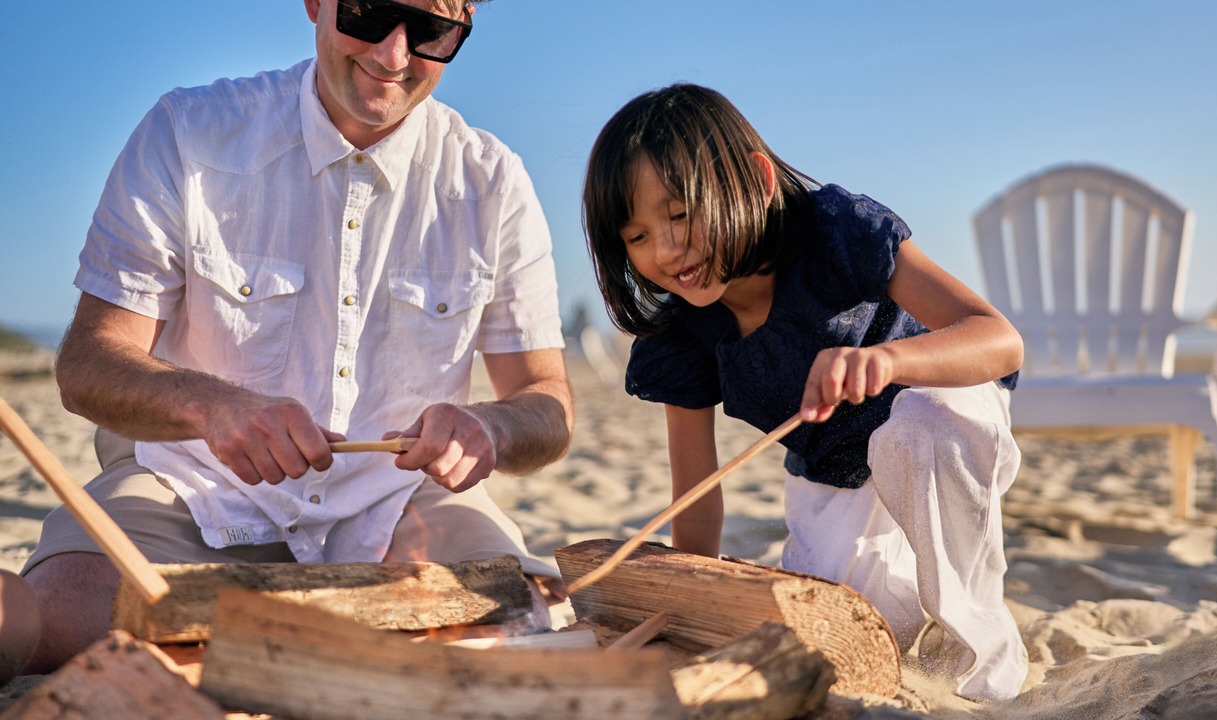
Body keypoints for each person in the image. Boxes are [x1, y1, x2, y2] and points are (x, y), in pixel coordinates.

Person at [10, 0, 573, 681]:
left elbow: (546, 403)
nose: (393, 56)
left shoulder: (493, 181)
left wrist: (491, 428)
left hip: (395, 505)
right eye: (368, 12)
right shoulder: (189, 132)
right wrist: (210, 408)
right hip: (189, 489)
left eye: (430, 31)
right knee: (31, 628)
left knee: (541, 634)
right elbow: (87, 363)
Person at [582, 83, 1028, 701]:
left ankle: (983, 665)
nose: (666, 249)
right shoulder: (684, 337)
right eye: (636, 236)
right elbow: (697, 496)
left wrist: (888, 360)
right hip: (832, 470)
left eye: (682, 214)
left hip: (943, 417)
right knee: (844, 638)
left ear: (757, 181)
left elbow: (998, 339)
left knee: (923, 421)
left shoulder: (832, 235)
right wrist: (692, 602)